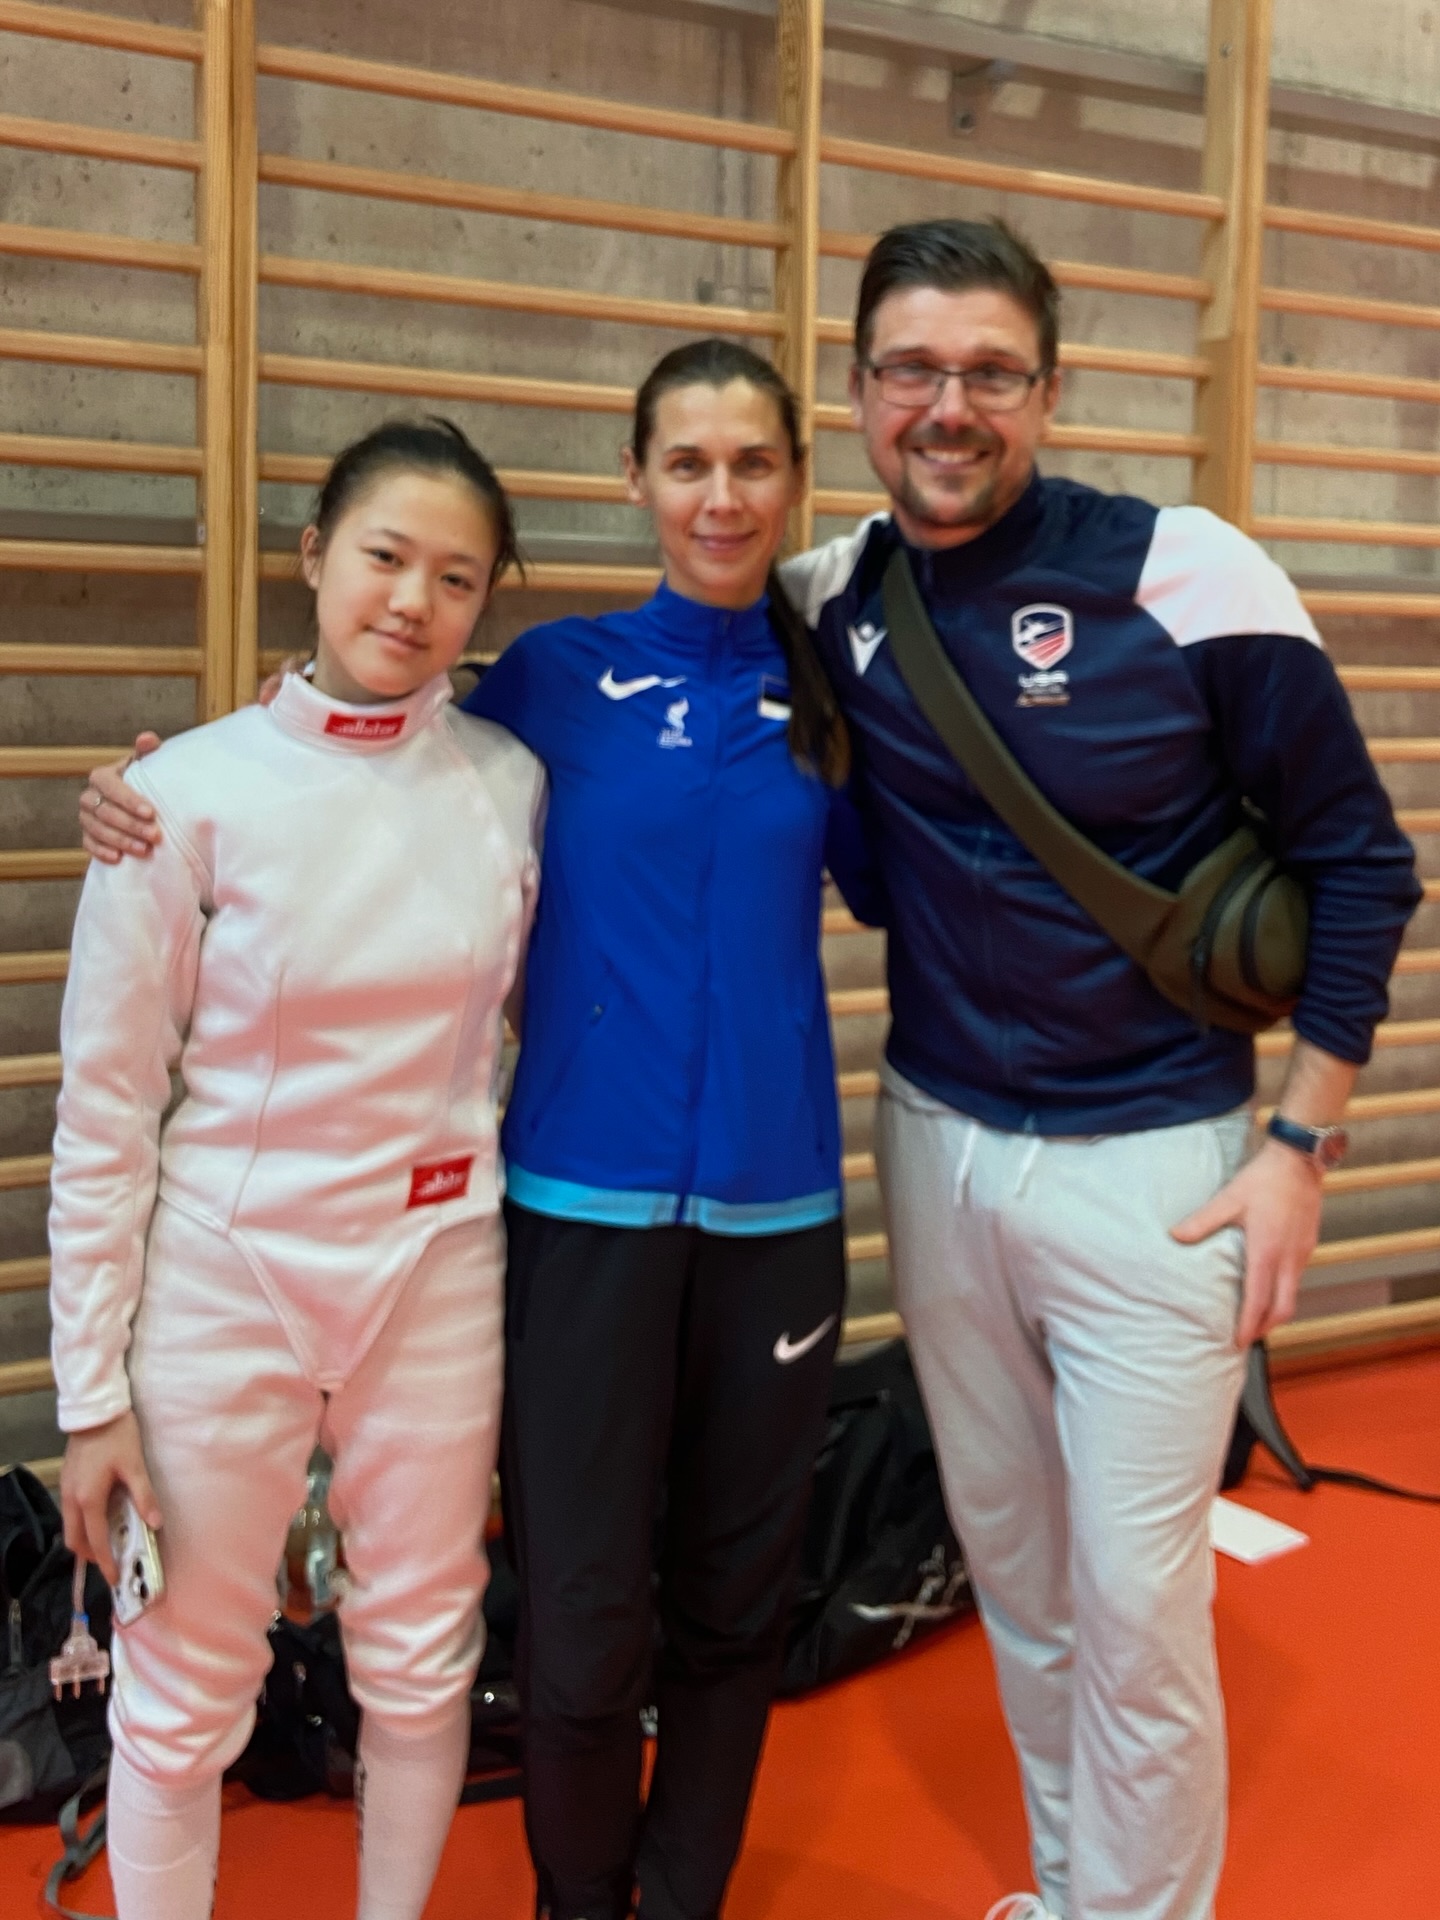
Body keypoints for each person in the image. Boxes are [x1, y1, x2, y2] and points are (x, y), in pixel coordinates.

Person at [79, 338, 875, 1920]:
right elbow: (348, 767)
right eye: (687, 462)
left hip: (640, 1235)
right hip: (450, 1234)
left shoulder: (813, 704)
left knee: (585, 1633)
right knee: (480, 1633)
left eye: (755, 464)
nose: (721, 495)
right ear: (634, 481)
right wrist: (179, 773)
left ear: (795, 482)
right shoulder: (540, 698)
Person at [779, 219, 1423, 1920]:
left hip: (1165, 1167)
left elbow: (1364, 864)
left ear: (1049, 391)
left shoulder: (1188, 572)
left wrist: (1302, 1146)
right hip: (936, 1146)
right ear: (861, 390)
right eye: (914, 368)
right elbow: (637, 710)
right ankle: (1077, 1892)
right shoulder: (832, 596)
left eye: (993, 371)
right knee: (1023, 1578)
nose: (951, 406)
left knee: (1140, 1614)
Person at [53, 418, 546, 1920]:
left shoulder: (516, 784)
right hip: (226, 1278)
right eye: (387, 556)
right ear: (316, 553)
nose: (413, 600)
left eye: (457, 579)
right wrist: (90, 1399)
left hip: (437, 1271)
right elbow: (106, 1107)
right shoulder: (179, 796)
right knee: (186, 1676)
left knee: (419, 1655)